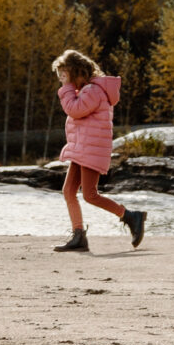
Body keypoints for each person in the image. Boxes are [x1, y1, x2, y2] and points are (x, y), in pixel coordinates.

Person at [52, 49, 145, 254]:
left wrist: (66, 88)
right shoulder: (87, 90)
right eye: (61, 78)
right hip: (83, 147)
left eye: (65, 76)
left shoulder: (93, 91)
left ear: (76, 71)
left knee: (90, 194)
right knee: (69, 191)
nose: (63, 81)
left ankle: (131, 216)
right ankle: (78, 236)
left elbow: (74, 110)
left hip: (91, 149)